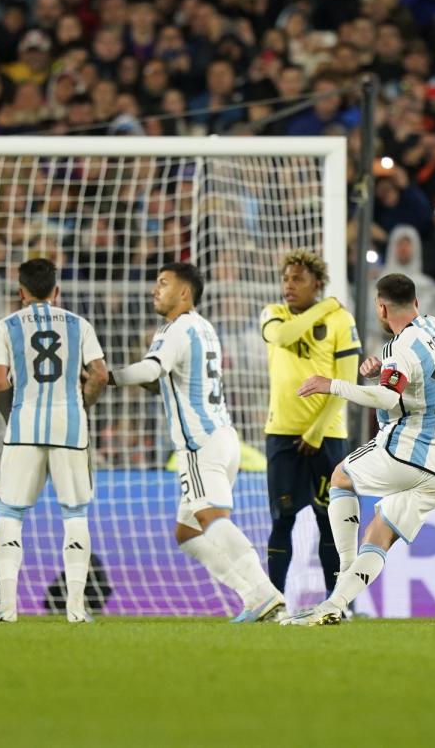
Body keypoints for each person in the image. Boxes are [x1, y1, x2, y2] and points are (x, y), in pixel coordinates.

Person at [107, 262, 285, 623]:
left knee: (212, 519)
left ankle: (265, 593)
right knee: (188, 532)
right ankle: (254, 596)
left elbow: (151, 369)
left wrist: (108, 377)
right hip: (223, 437)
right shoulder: (204, 328)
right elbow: (166, 381)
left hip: (198, 443)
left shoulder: (176, 327)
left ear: (184, 293)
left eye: (163, 284)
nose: (155, 290)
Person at [286, 273, 435, 626]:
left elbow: (387, 396)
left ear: (380, 308)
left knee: (340, 477)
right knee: (380, 533)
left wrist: (332, 384)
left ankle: (344, 571)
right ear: (416, 302)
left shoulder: (401, 348)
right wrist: (383, 369)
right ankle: (335, 605)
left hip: (408, 449)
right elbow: (424, 374)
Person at [0, 258, 108, 624]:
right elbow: (99, 374)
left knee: (10, 513)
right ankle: (74, 608)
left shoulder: (5, 327)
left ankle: (7, 608)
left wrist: (14, 416)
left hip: (23, 428)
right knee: (74, 514)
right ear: (57, 291)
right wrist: (82, 405)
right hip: (71, 428)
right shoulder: (78, 324)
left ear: (21, 292)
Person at [260, 250, 360, 598]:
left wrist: (316, 430)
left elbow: (346, 381)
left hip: (328, 435)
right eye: (286, 278)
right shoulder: (274, 315)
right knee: (282, 519)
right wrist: (324, 306)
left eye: (298, 279)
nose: (289, 285)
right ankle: (273, 601)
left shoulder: (341, 321)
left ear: (316, 283)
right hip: (282, 434)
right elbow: (283, 338)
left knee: (329, 522)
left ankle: (337, 603)